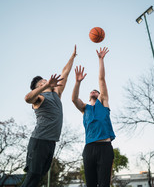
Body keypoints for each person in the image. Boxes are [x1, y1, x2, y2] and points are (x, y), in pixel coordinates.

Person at [21, 45, 77, 187]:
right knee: (33, 176)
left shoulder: (56, 94)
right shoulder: (39, 98)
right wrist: (44, 87)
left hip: (51, 141)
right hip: (39, 140)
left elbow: (65, 72)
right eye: (42, 83)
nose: (46, 82)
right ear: (39, 88)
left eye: (46, 81)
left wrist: (72, 57)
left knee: (39, 176)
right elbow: (27, 98)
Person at [72, 47, 115, 187]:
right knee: (90, 184)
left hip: (105, 147)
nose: (94, 92)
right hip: (89, 148)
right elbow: (74, 99)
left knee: (104, 184)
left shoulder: (103, 103)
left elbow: (101, 79)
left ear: (99, 95)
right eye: (92, 91)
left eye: (96, 91)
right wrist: (78, 82)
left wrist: (101, 60)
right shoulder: (85, 108)